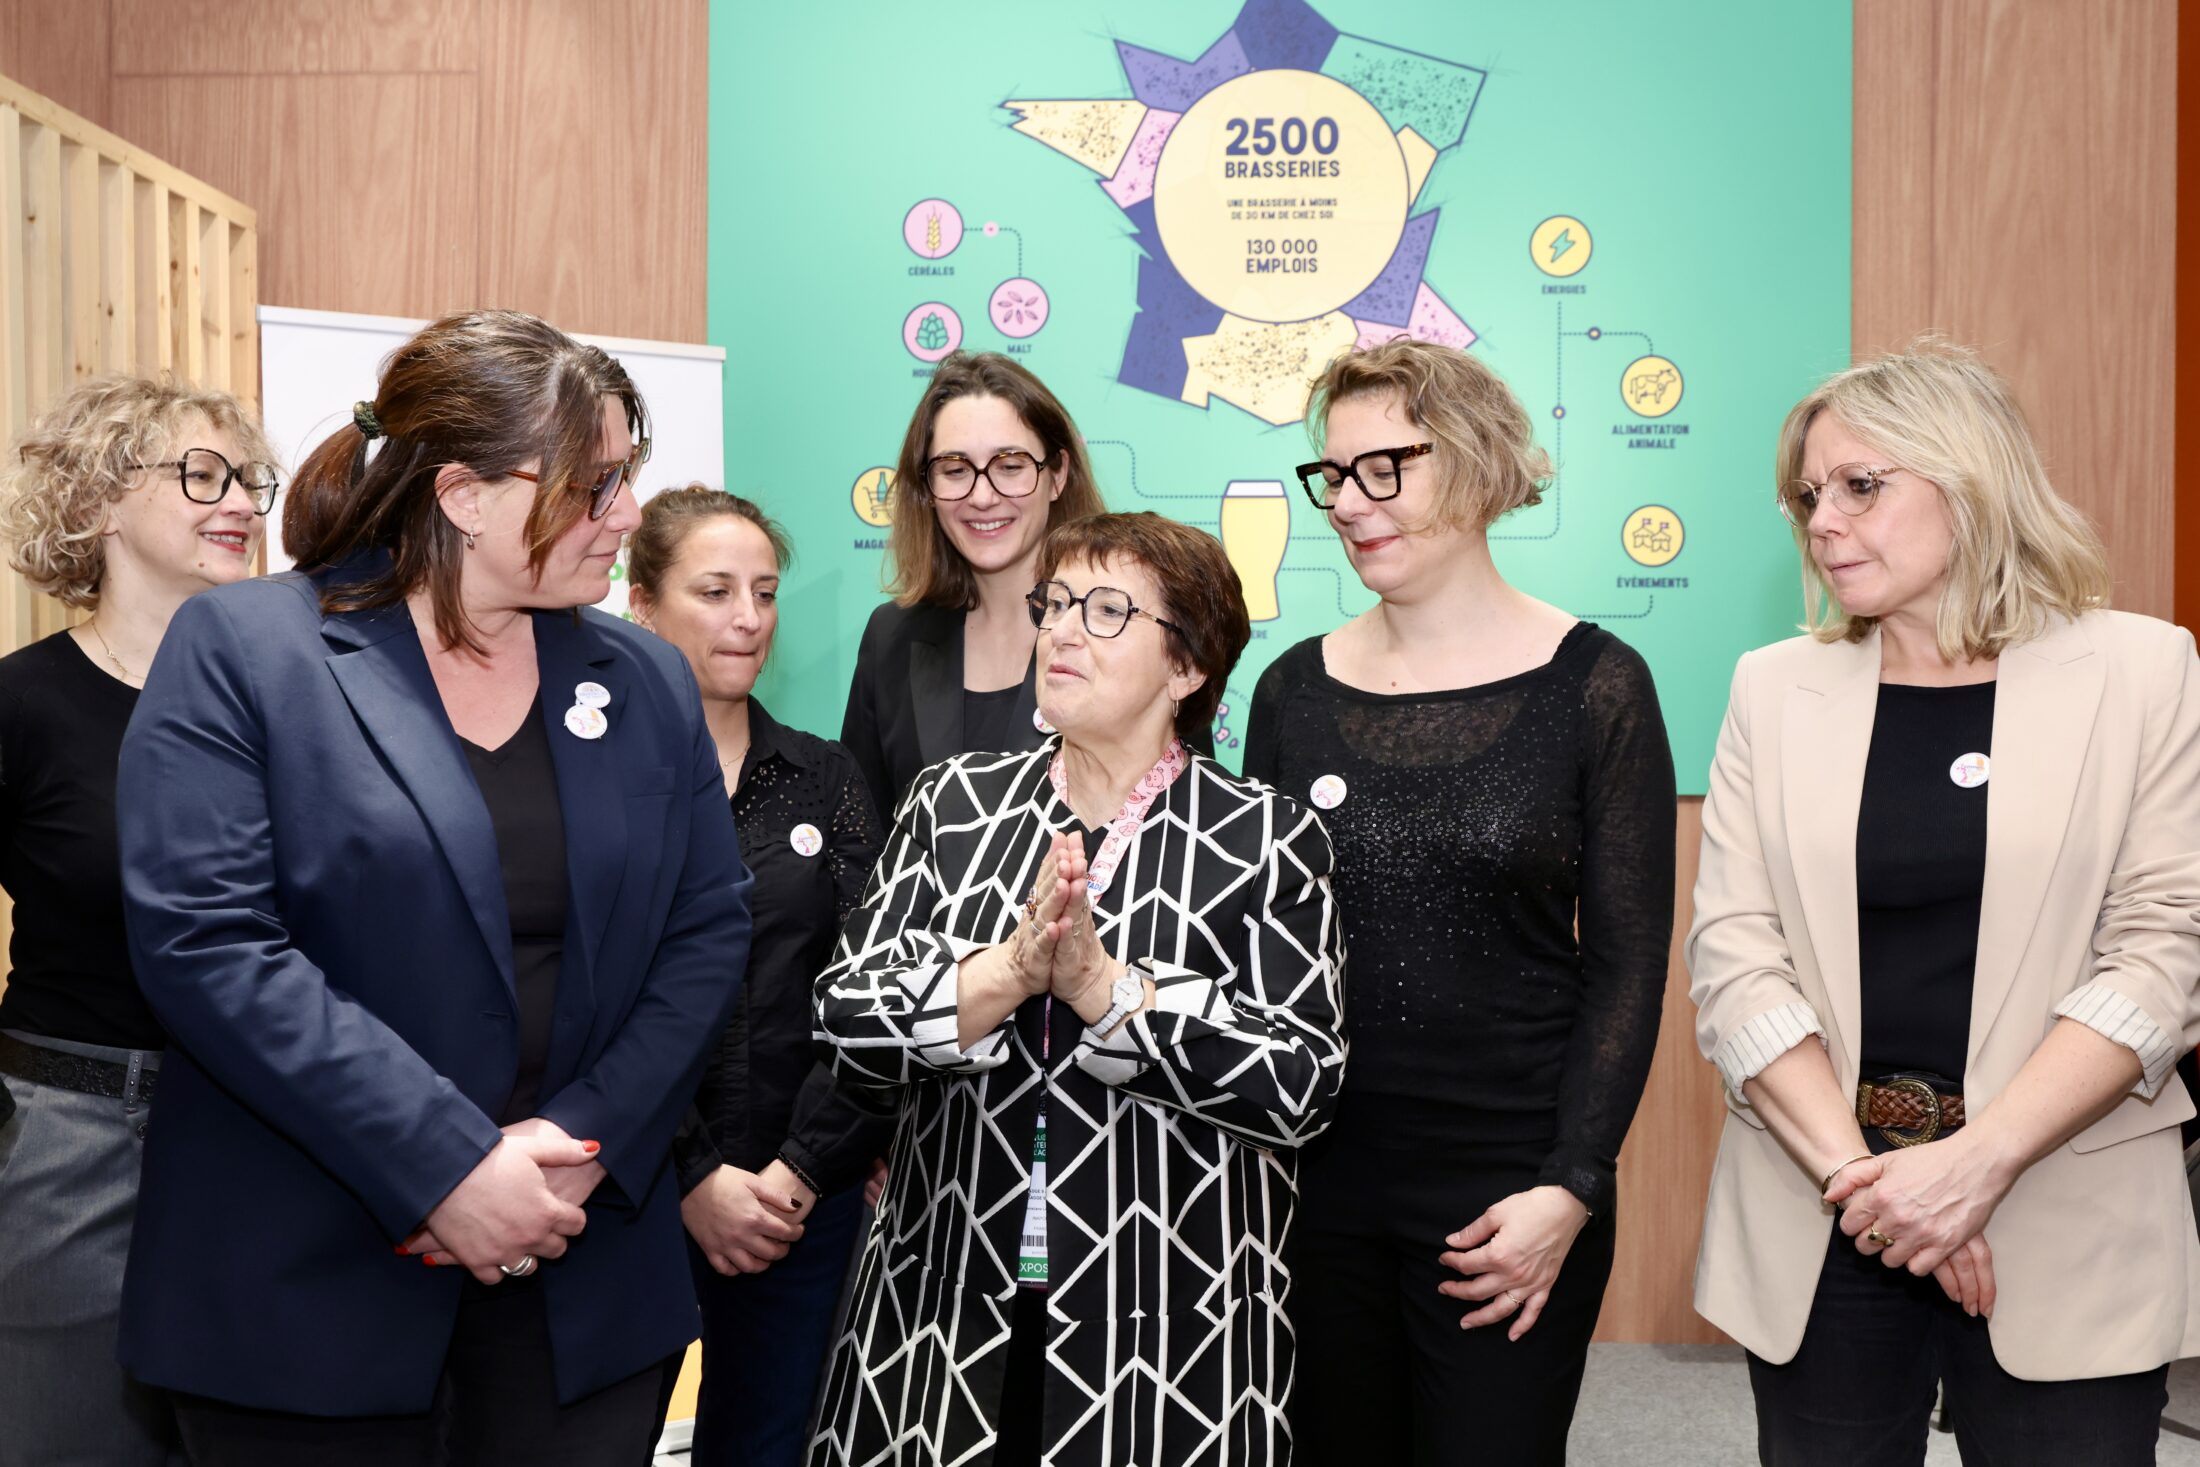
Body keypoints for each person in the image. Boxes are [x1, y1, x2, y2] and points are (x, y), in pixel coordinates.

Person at [112, 309, 753, 1465]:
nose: (627, 515)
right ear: (462, 495)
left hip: (581, 1274)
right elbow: (210, 945)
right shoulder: (249, 649)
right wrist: (445, 1163)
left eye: (628, 477)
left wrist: (579, 1144)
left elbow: (705, 931)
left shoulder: (644, 677)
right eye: (596, 485)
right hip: (304, 1284)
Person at [1688, 340, 2200, 1465]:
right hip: (1825, 1203)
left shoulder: (2143, 671)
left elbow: (2162, 954)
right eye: (1808, 496)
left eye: (1860, 485)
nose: (1822, 521)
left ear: (1972, 482)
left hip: (2061, 1199)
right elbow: (1734, 959)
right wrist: (1868, 1187)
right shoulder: (1772, 688)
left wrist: (1977, 1164)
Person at [810, 512, 1346, 1467]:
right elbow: (846, 1015)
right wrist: (1006, 976)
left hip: (1175, 1323)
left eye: (1105, 611)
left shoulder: (1265, 837)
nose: (1060, 629)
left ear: (1187, 666)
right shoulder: (954, 802)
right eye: (1054, 604)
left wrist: (1108, 991)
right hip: (944, 1306)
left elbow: (1301, 1083)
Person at [1245, 338, 1676, 1467]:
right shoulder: (1291, 690)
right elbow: (1257, 956)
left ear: (1478, 463)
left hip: (1510, 1193)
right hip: (1315, 1189)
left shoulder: (1597, 684)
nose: (1350, 503)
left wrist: (1572, 1186)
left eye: (1384, 467)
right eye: (1333, 474)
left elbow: (1628, 963)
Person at [0, 375, 278, 1467]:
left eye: (248, 479)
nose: (240, 502)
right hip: (75, 1145)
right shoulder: (23, 705)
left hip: (267, 1135)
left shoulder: (289, 703)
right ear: (99, 502)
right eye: (202, 475)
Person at [625, 485, 890, 1467]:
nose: (748, 617)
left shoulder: (828, 780)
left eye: (765, 592)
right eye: (715, 591)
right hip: (634, 1192)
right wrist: (692, 1175)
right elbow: (588, 1000)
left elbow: (872, 993)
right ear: (642, 604)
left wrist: (800, 1169)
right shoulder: (596, 779)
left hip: (798, 1201)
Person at [840, 351, 1107, 827]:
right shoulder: (891, 638)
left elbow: (1184, 824)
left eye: (1010, 466)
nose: (982, 496)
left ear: (1058, 474)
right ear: (927, 488)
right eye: (955, 469)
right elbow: (863, 839)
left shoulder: (1126, 629)